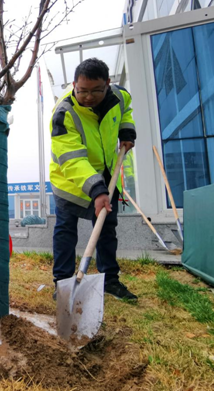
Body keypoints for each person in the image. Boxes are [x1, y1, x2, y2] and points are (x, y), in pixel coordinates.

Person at [49, 58, 138, 301]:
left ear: (107, 84)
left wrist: (126, 131)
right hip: (71, 181)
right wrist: (96, 190)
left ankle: (110, 280)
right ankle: (63, 284)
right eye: (82, 91)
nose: (88, 97)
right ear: (74, 84)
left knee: (107, 230)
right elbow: (71, 159)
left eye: (95, 91)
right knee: (66, 231)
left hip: (107, 175)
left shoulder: (119, 96)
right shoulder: (64, 113)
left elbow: (126, 110)